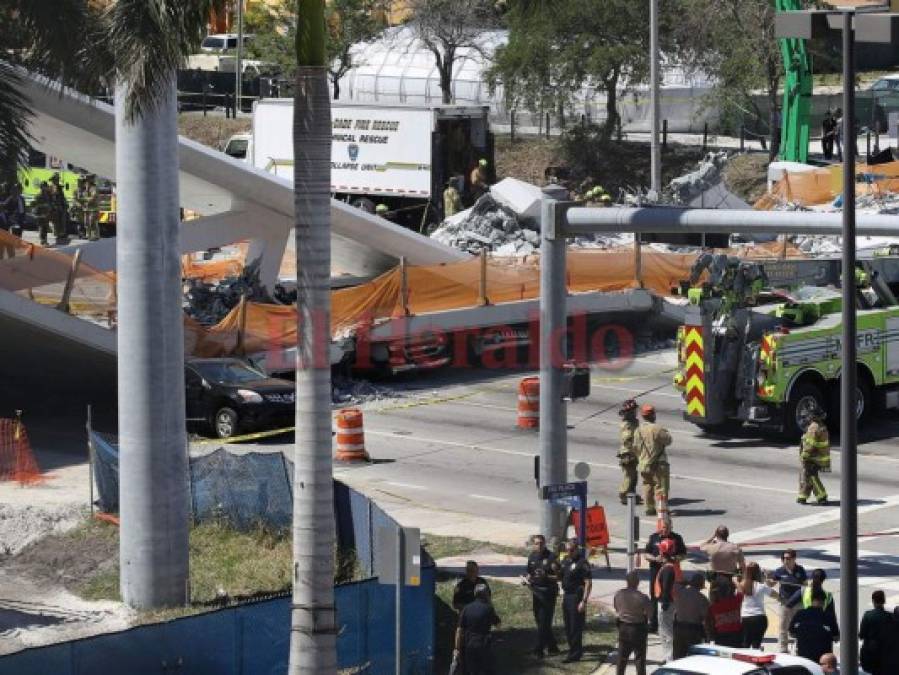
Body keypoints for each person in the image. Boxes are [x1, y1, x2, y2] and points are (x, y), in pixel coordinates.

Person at [644, 519, 687, 633]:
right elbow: (646, 554)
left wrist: (673, 559)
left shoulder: (677, 538)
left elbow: (683, 554)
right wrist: (655, 559)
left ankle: (671, 623)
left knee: (670, 596)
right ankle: (653, 624)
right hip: (655, 570)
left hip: (670, 571)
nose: (664, 530)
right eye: (662, 528)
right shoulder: (653, 537)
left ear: (670, 528)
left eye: (666, 528)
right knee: (654, 595)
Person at [521, 534, 560, 658]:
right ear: (533, 544)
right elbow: (529, 572)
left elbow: (559, 577)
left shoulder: (552, 557)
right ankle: (553, 646)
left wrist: (546, 576)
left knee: (544, 621)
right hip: (536, 592)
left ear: (545, 543)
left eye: (541, 543)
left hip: (548, 593)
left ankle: (539, 650)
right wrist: (526, 579)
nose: (539, 545)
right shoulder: (532, 556)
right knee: (539, 621)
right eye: (537, 543)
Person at [454, 583, 500, 675]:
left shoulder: (466, 609)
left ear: (475, 594)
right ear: (487, 594)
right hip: (484, 645)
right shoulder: (488, 608)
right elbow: (498, 625)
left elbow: (459, 630)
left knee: (471, 671)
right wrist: (490, 603)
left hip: (469, 645)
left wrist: (457, 648)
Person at [559, 538, 592, 663]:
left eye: (571, 550)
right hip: (567, 596)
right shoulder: (566, 561)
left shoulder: (582, 563)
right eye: (567, 550)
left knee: (575, 626)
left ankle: (575, 654)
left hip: (576, 597)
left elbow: (588, 583)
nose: (569, 552)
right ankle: (572, 650)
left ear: (577, 549)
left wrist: (584, 601)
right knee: (568, 626)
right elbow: (560, 576)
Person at [636, 403, 672, 517]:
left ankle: (649, 508)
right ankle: (662, 511)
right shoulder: (656, 428)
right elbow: (668, 440)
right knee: (661, 487)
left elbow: (635, 447)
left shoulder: (638, 430)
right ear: (653, 416)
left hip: (643, 464)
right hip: (658, 464)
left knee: (647, 485)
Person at [613, 569, 651, 675]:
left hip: (623, 627)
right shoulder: (643, 597)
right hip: (638, 628)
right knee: (639, 658)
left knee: (621, 658)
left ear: (627, 581)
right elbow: (650, 614)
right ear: (637, 582)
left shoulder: (619, 594)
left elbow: (617, 608)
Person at [770, 548, 808, 653]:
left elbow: (805, 585)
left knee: (799, 626)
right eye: (784, 558)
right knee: (783, 627)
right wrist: (767, 578)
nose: (785, 560)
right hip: (785, 603)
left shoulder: (800, 570)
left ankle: (799, 648)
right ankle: (783, 649)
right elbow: (772, 584)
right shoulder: (779, 571)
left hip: (798, 603)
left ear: (794, 559)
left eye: (788, 558)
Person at [790, 587, 839, 662]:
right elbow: (836, 637)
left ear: (811, 600)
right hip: (823, 658)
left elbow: (791, 632)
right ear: (824, 602)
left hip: (803, 655)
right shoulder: (828, 616)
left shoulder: (799, 613)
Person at [739, 561, 777, 649]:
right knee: (756, 645)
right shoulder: (761, 586)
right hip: (759, 618)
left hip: (746, 618)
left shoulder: (741, 586)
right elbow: (776, 595)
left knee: (745, 644)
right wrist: (767, 582)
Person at [798, 404, 830, 505]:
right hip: (818, 457)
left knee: (811, 477)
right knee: (805, 476)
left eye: (809, 415)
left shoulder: (814, 427)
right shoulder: (821, 426)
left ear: (813, 416)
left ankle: (822, 497)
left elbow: (809, 444)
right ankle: (802, 497)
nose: (807, 417)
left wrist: (804, 455)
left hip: (813, 458)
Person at [655, 538, 681, 662]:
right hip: (668, 602)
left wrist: (664, 603)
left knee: (666, 632)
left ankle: (669, 658)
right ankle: (668, 656)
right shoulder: (669, 567)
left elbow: (666, 588)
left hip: (666, 603)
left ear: (662, 552)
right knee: (665, 631)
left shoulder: (667, 569)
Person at [674, 573, 709, 659]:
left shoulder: (680, 593)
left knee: (678, 657)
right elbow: (706, 618)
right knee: (693, 658)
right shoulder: (702, 599)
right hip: (693, 630)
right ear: (701, 585)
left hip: (679, 628)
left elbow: (676, 583)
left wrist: (687, 582)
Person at [706, 576, 743, 648]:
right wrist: (736, 582)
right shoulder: (735, 601)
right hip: (736, 635)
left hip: (721, 636)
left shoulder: (713, 607)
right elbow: (741, 591)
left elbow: (709, 623)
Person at [859, 590, 891, 674]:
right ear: (884, 600)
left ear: (873, 601)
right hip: (885, 651)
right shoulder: (889, 616)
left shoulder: (868, 615)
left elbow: (862, 634)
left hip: (870, 650)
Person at [617, 398, 640, 505]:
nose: (636, 412)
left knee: (634, 475)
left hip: (633, 453)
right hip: (628, 454)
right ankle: (624, 495)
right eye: (634, 410)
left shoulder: (633, 422)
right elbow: (627, 439)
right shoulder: (627, 425)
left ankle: (631, 493)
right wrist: (633, 449)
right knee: (629, 476)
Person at [48, 172, 68, 245]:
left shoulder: (59, 187)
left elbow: (62, 197)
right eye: (56, 179)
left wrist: (65, 204)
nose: (57, 180)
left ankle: (61, 233)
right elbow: (50, 198)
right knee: (55, 221)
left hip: (60, 206)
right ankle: (57, 233)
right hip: (54, 207)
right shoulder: (50, 187)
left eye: (57, 179)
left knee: (62, 220)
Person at [32, 181, 52, 246]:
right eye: (44, 186)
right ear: (41, 187)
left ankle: (45, 240)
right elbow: (35, 205)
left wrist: (49, 209)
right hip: (41, 214)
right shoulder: (38, 196)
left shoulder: (48, 195)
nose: (45, 188)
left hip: (46, 214)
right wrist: (43, 206)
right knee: (41, 227)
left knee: (45, 227)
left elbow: (50, 204)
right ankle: (42, 241)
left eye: (46, 186)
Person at [84, 174, 100, 241]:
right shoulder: (86, 188)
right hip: (87, 208)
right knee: (86, 222)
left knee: (92, 222)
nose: (86, 182)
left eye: (87, 180)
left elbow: (93, 197)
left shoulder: (94, 188)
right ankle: (88, 235)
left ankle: (95, 236)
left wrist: (86, 200)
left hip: (93, 209)